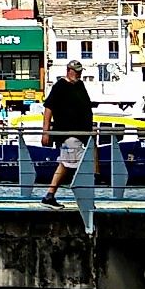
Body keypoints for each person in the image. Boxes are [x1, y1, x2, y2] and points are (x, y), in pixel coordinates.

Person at [41, 60, 93, 208]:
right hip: (67, 133)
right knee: (75, 164)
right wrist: (46, 132)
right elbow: (48, 108)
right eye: (76, 71)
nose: (78, 74)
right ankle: (83, 200)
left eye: (80, 71)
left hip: (80, 133)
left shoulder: (80, 85)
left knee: (67, 163)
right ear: (68, 70)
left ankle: (50, 195)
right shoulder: (60, 86)